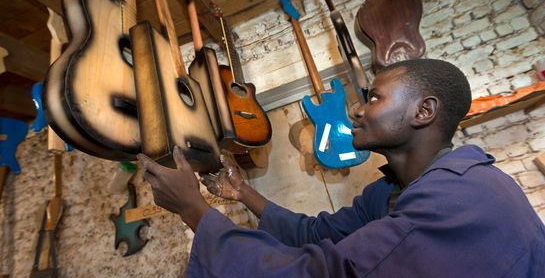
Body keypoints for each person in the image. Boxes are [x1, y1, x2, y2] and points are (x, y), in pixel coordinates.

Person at [137, 59, 545, 278]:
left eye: (374, 98)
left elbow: (323, 272)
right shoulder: (392, 193)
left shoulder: (460, 200)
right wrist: (242, 193)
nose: (357, 109)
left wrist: (193, 209)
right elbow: (316, 235)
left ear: (423, 111)